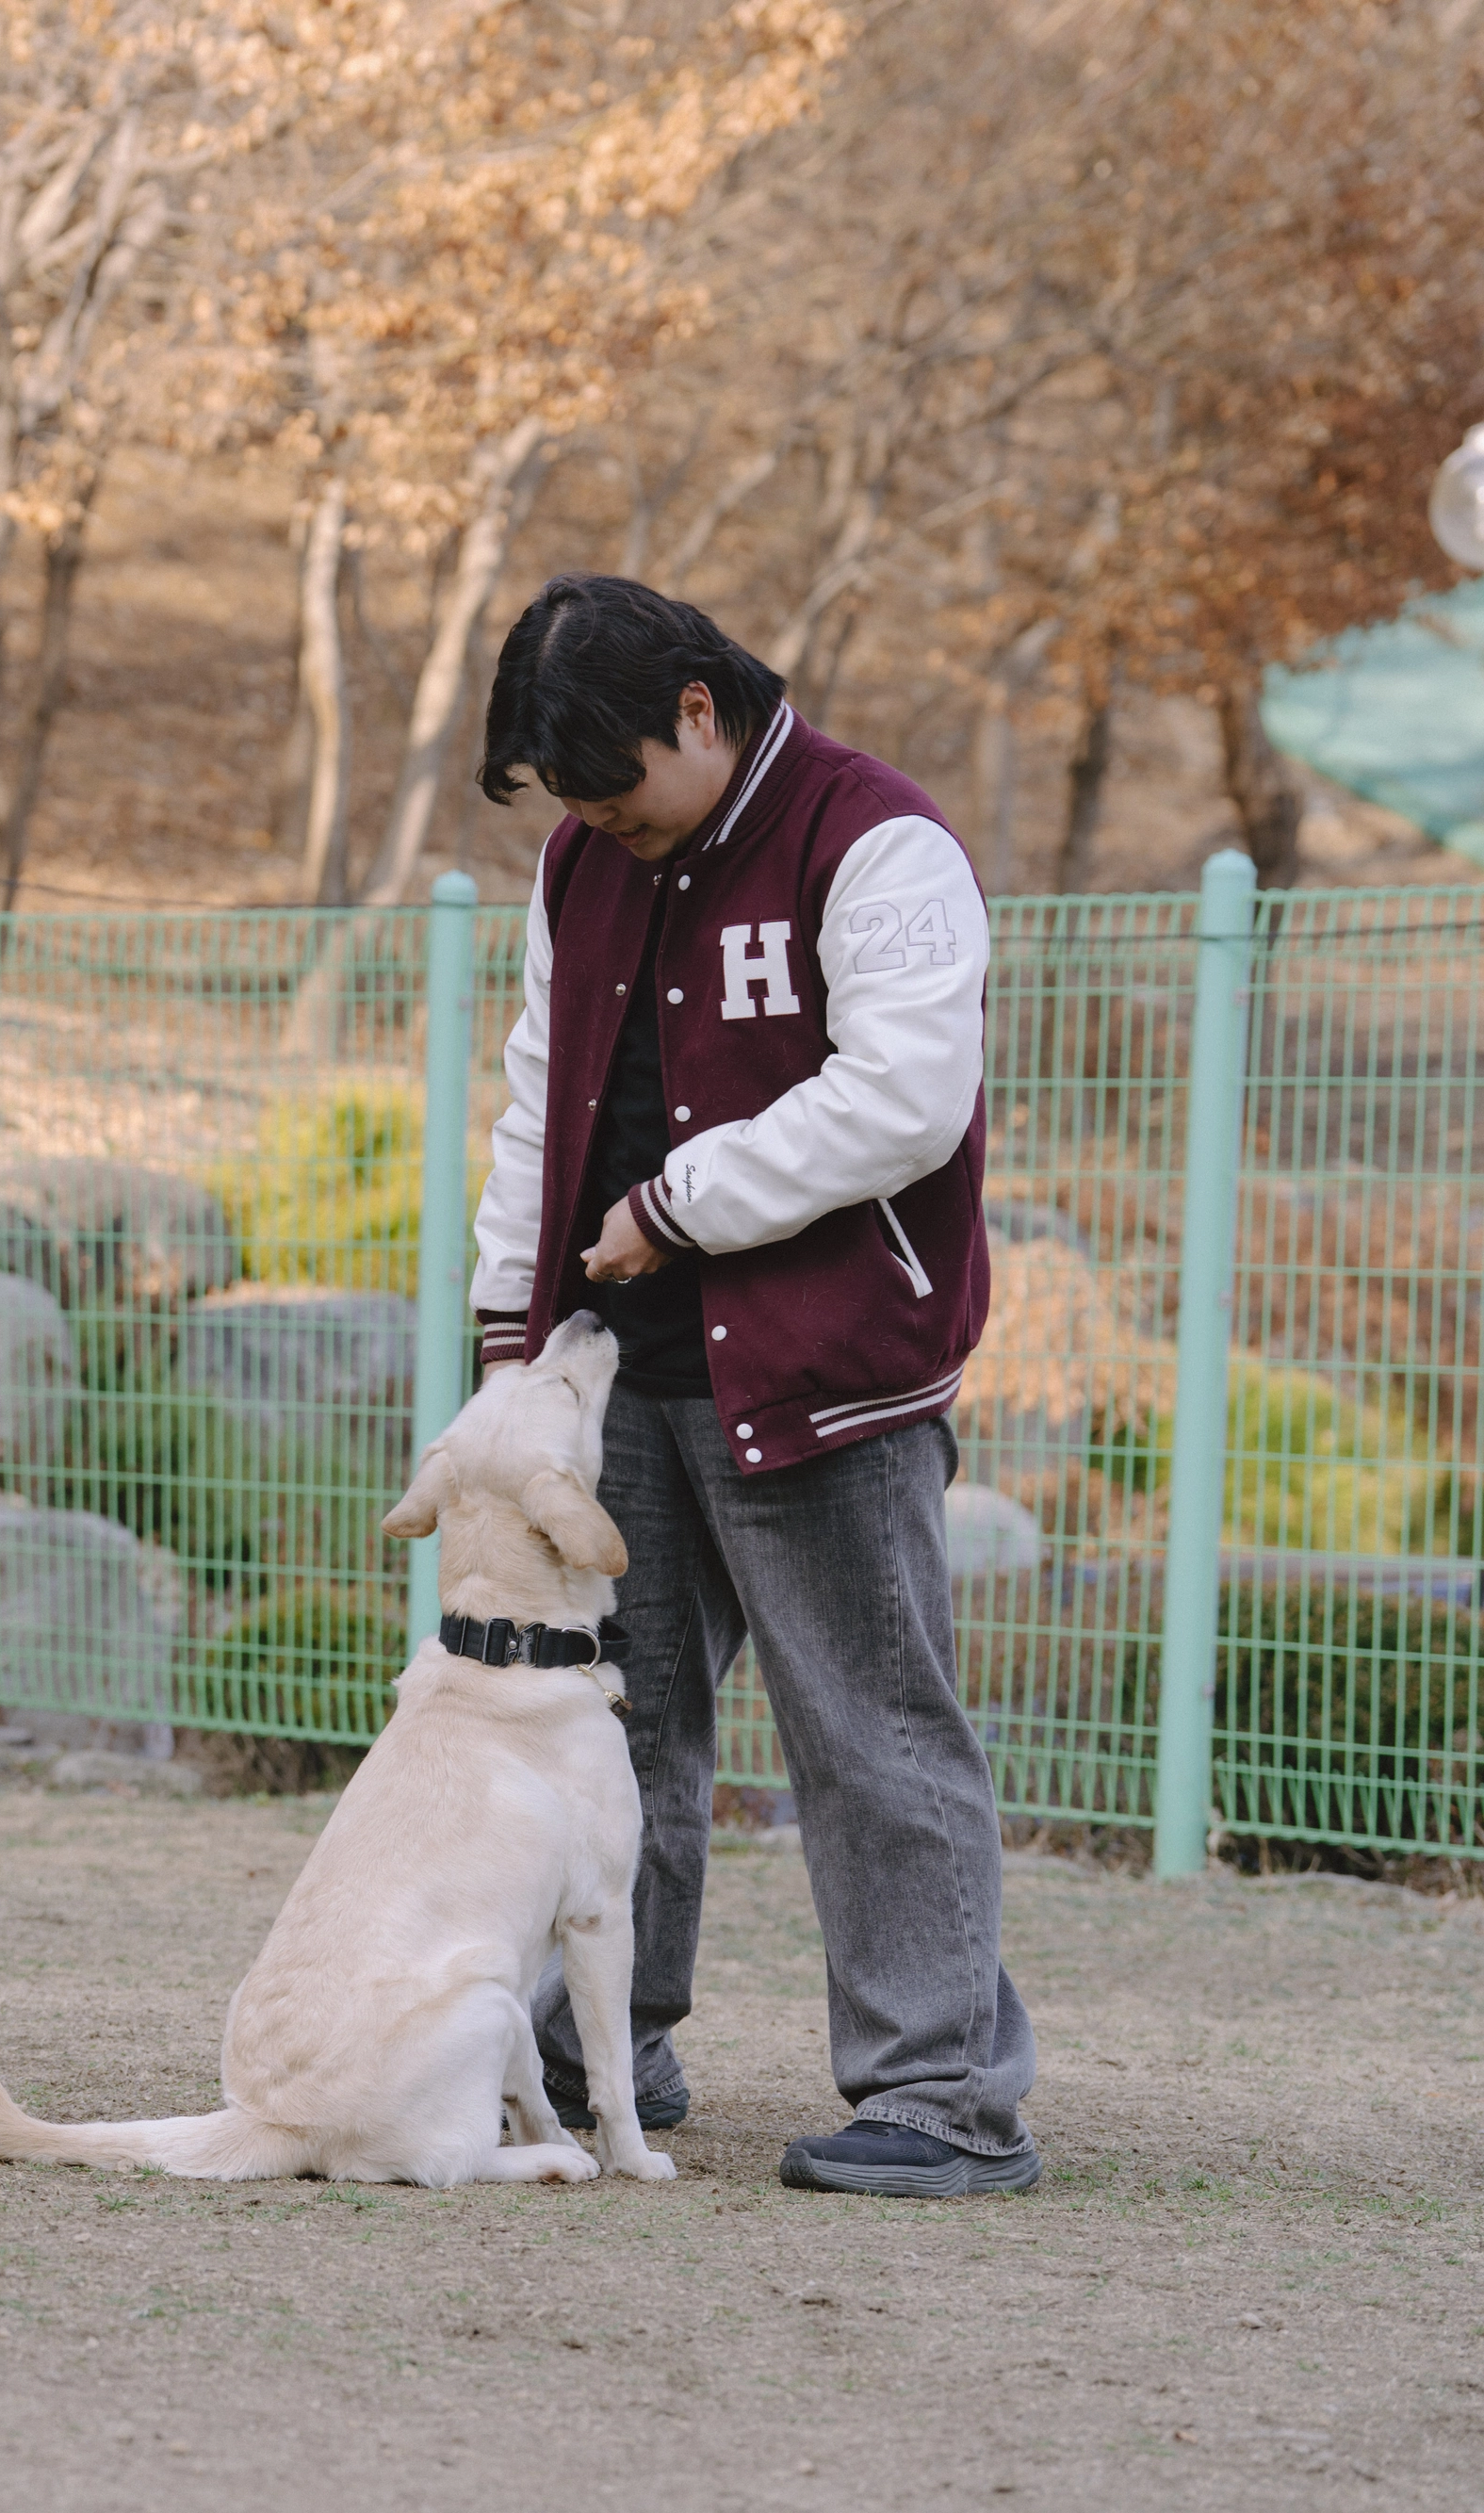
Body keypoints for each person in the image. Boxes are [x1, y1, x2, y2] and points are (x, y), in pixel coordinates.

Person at [468, 572, 1036, 2196]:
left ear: (700, 714)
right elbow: (534, 1110)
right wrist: (512, 1346)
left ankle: (940, 2094)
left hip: (828, 1369)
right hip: (612, 1376)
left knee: (870, 1729)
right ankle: (603, 2044)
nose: (597, 823)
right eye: (572, 799)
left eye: (615, 786)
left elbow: (908, 1097)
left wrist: (677, 1205)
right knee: (612, 1727)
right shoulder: (583, 859)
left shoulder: (880, 841)